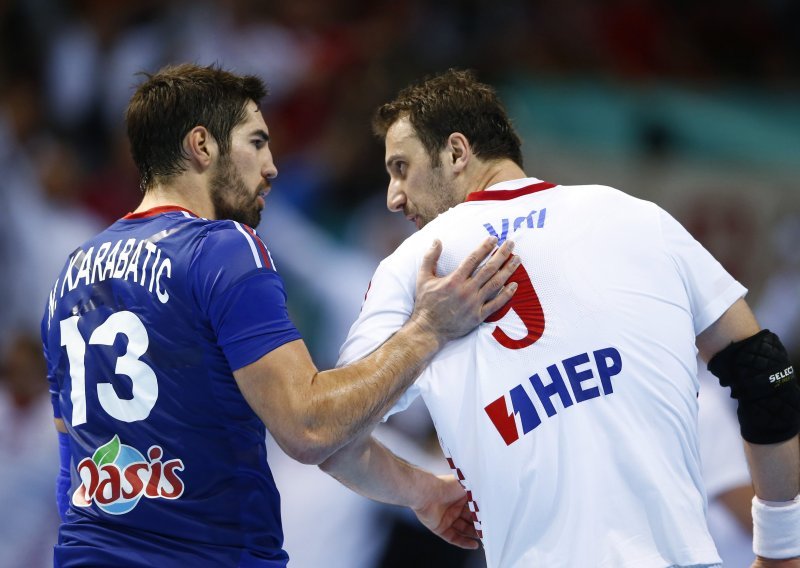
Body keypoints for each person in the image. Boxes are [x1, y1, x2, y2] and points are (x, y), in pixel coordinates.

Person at [40, 63, 520, 568]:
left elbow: (71, 464)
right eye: (256, 142)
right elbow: (310, 428)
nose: (271, 167)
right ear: (202, 146)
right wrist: (428, 328)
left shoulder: (70, 276)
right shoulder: (220, 246)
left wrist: (424, 491)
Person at [320, 69, 800, 568]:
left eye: (401, 168)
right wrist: (781, 548)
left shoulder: (419, 263)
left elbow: (330, 434)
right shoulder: (636, 216)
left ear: (457, 152)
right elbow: (765, 372)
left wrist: (422, 490)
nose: (394, 196)